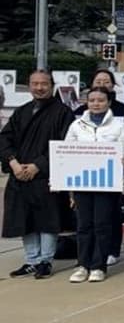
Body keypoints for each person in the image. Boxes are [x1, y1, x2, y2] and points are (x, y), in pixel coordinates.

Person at [1, 70, 74, 280]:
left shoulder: (62, 112)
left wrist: (37, 166)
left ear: (51, 85)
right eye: (35, 84)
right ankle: (31, 260)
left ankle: (45, 261)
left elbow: (63, 144)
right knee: (25, 219)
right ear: (29, 85)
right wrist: (13, 163)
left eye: (44, 84)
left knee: (47, 220)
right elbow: (4, 140)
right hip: (19, 174)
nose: (39, 88)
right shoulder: (21, 112)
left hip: (45, 175)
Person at [63, 86, 124, 282]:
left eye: (100, 100)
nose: (96, 104)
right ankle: (82, 264)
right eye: (92, 100)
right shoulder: (76, 126)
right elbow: (67, 152)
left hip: (107, 183)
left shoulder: (120, 127)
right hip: (82, 182)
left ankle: (98, 265)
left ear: (109, 102)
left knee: (102, 224)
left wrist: (122, 161)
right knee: (84, 224)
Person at [73, 70, 124, 134]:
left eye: (106, 82)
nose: (102, 85)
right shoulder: (80, 111)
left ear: (113, 85)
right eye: (98, 82)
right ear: (92, 85)